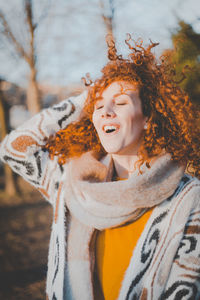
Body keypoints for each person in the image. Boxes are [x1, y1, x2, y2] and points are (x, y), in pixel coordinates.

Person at [0, 35, 200, 300]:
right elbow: (14, 148)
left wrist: (102, 94)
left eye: (120, 103)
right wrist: (89, 96)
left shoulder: (187, 198)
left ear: (149, 118)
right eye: (98, 106)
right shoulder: (72, 185)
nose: (105, 111)